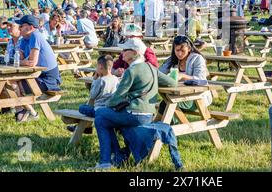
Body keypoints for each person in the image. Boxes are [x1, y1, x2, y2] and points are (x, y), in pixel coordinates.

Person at [92, 38, 177, 170]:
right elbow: (172, 83)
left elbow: (116, 98)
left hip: (134, 114)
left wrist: (103, 107)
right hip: (148, 115)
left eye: (125, 50)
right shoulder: (151, 67)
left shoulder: (131, 70)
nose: (122, 52)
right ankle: (115, 157)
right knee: (102, 118)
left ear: (135, 52)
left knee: (100, 116)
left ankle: (107, 161)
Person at [158, 35, 211, 115]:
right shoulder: (172, 59)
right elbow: (159, 73)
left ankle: (161, 126)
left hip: (196, 97)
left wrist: (182, 76)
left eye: (183, 51)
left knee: (167, 104)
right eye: (177, 50)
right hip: (177, 94)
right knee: (166, 103)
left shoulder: (197, 59)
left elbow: (201, 80)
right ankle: (162, 126)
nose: (179, 53)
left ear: (189, 49)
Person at [68, 55, 119, 133]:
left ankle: (84, 127)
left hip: (99, 110)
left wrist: (95, 79)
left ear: (100, 67)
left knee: (82, 108)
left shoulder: (101, 81)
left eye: (96, 67)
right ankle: (87, 127)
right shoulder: (116, 79)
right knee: (88, 106)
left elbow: (92, 95)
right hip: (111, 110)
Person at [18, 15, 62, 94]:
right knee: (7, 84)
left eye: (21, 26)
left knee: (13, 86)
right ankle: (20, 106)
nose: (19, 28)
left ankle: (21, 106)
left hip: (48, 79)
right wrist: (21, 61)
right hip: (36, 74)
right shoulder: (24, 39)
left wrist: (19, 62)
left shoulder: (35, 35)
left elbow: (31, 63)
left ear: (31, 28)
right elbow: (21, 58)